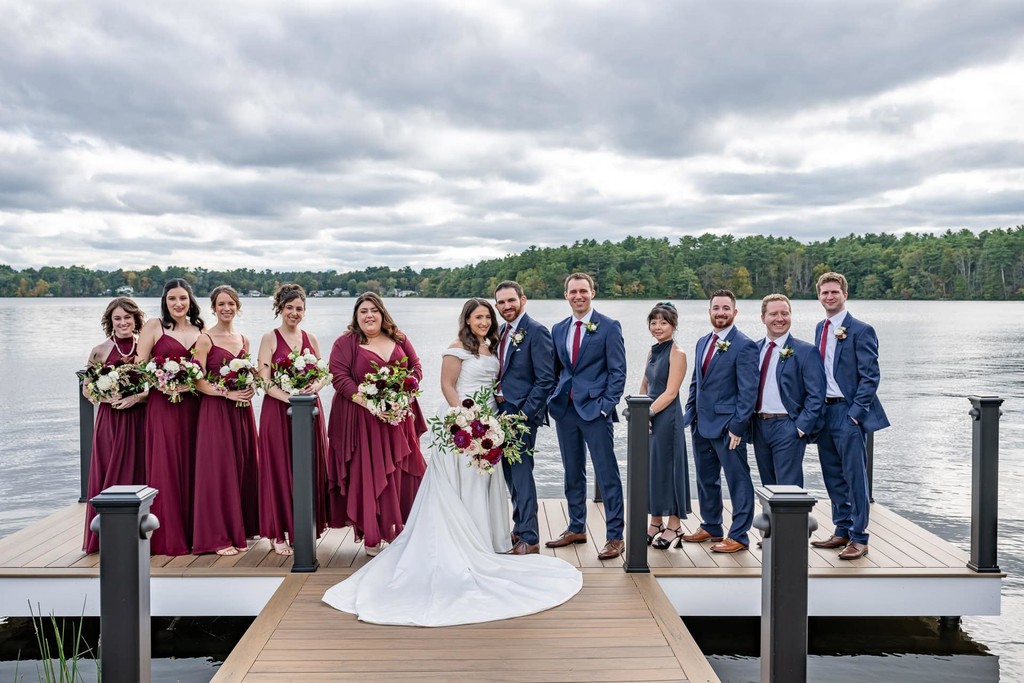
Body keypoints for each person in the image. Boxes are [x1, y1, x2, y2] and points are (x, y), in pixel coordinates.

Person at [322, 298, 582, 626]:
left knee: (486, 481)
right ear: (467, 319)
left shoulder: (495, 345)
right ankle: (461, 542)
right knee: (463, 482)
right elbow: (446, 385)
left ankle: (486, 540)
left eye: (488, 316)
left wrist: (487, 421)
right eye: (478, 316)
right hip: (462, 421)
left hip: (489, 422)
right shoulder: (456, 347)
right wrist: (466, 418)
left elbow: (488, 380)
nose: (484, 322)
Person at [326, 292, 427, 555]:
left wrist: (401, 394)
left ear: (382, 313)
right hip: (363, 422)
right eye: (363, 311)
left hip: (397, 419)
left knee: (399, 472)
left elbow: (416, 368)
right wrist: (371, 404)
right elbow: (339, 378)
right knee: (369, 474)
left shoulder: (399, 338)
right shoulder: (345, 343)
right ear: (356, 316)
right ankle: (372, 535)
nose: (369, 315)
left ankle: (397, 530)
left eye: (373, 310)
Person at [546, 273, 627, 561]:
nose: (578, 296)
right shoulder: (558, 329)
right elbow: (557, 370)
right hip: (565, 411)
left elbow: (618, 373)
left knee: (607, 474)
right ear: (565, 295)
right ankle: (576, 527)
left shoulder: (608, 327)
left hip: (595, 410)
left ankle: (615, 536)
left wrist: (606, 406)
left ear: (592, 292)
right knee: (572, 471)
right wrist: (553, 398)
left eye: (583, 291)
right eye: (573, 291)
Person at [811, 272, 889, 560]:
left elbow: (871, 377)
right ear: (818, 296)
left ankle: (859, 536)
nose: (829, 297)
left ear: (845, 294)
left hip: (847, 411)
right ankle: (841, 528)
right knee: (832, 474)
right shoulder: (820, 328)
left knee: (854, 476)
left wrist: (855, 414)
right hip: (824, 412)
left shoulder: (861, 329)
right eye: (824, 293)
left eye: (834, 292)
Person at [682, 289, 758, 553]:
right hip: (701, 424)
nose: (721, 313)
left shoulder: (744, 345)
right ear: (710, 311)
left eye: (726, 308)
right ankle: (711, 525)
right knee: (706, 478)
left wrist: (738, 425)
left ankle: (739, 535)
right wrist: (689, 413)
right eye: (716, 308)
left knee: (738, 479)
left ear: (734, 312)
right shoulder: (702, 342)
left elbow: (749, 391)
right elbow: (696, 383)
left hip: (729, 427)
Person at [256, 284, 330, 556]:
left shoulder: (311, 337)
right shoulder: (269, 338)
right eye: (289, 308)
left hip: (309, 410)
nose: (294, 313)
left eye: (299, 309)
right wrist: (289, 398)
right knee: (279, 468)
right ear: (280, 309)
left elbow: (324, 373)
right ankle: (278, 534)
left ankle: (304, 528)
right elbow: (263, 381)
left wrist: (315, 389)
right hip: (278, 411)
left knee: (307, 468)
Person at [136, 279, 205, 556]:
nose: (178, 304)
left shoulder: (201, 329)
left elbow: (204, 369)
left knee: (192, 465)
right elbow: (140, 366)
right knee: (165, 466)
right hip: (162, 406)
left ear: (191, 301)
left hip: (192, 406)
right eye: (173, 299)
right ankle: (167, 537)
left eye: (183, 299)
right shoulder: (155, 326)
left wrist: (188, 385)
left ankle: (194, 532)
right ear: (165, 301)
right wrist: (159, 382)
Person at [191, 285, 260, 556]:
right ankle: (217, 537)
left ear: (238, 306)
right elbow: (197, 380)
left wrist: (250, 387)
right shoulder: (205, 338)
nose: (226, 308)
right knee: (219, 470)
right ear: (214, 307)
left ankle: (241, 528)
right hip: (216, 411)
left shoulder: (244, 339)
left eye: (231, 303)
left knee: (243, 464)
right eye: (221, 304)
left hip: (242, 410)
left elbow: (248, 372)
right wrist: (226, 394)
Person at [493, 280, 555, 555]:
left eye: (511, 300)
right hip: (499, 413)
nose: (507, 306)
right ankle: (519, 527)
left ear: (523, 300)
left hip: (520, 415)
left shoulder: (536, 331)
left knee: (521, 474)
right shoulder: (500, 332)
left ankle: (530, 538)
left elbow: (545, 380)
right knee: (510, 474)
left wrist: (523, 415)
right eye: (501, 302)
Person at [82, 297, 148, 553]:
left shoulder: (144, 348)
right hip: (110, 420)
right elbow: (87, 388)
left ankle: (140, 533)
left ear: (135, 319)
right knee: (110, 470)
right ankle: (105, 536)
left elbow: (154, 386)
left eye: (127, 317)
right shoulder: (99, 350)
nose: (123, 322)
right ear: (110, 321)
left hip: (139, 418)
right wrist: (102, 396)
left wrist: (136, 397)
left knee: (139, 469)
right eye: (117, 318)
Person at [751, 294, 826, 489]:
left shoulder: (806, 351)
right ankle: (773, 521)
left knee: (788, 488)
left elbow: (816, 395)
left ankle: (793, 521)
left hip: (788, 426)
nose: (780, 318)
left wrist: (800, 428)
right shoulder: (753, 350)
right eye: (774, 314)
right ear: (763, 318)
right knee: (768, 486)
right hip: (759, 426)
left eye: (785, 313)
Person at [638, 302, 691, 550]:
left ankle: (675, 525)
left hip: (667, 420)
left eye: (663, 322)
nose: (657, 327)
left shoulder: (677, 353)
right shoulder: (652, 351)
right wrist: (639, 410)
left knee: (669, 471)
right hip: (649, 417)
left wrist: (648, 413)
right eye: (654, 322)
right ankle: (656, 522)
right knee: (653, 471)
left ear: (673, 325)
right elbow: (645, 385)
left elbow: (670, 393)